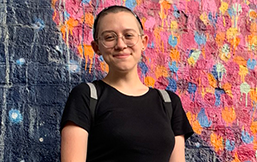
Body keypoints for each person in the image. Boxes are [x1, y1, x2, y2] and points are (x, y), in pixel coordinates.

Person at [60, 5, 193, 162]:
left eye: (128, 35)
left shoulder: (169, 103)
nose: (121, 45)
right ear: (97, 47)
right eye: (109, 37)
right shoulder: (86, 96)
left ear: (143, 42)